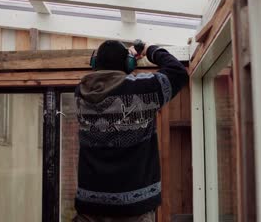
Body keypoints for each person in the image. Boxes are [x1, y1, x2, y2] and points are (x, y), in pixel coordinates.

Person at [73, 40, 189, 222]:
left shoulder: (80, 92)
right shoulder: (142, 90)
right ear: (129, 64)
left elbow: (109, 83)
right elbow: (178, 72)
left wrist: (125, 60)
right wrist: (152, 50)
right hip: (134, 208)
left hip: (90, 206)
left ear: (94, 64)